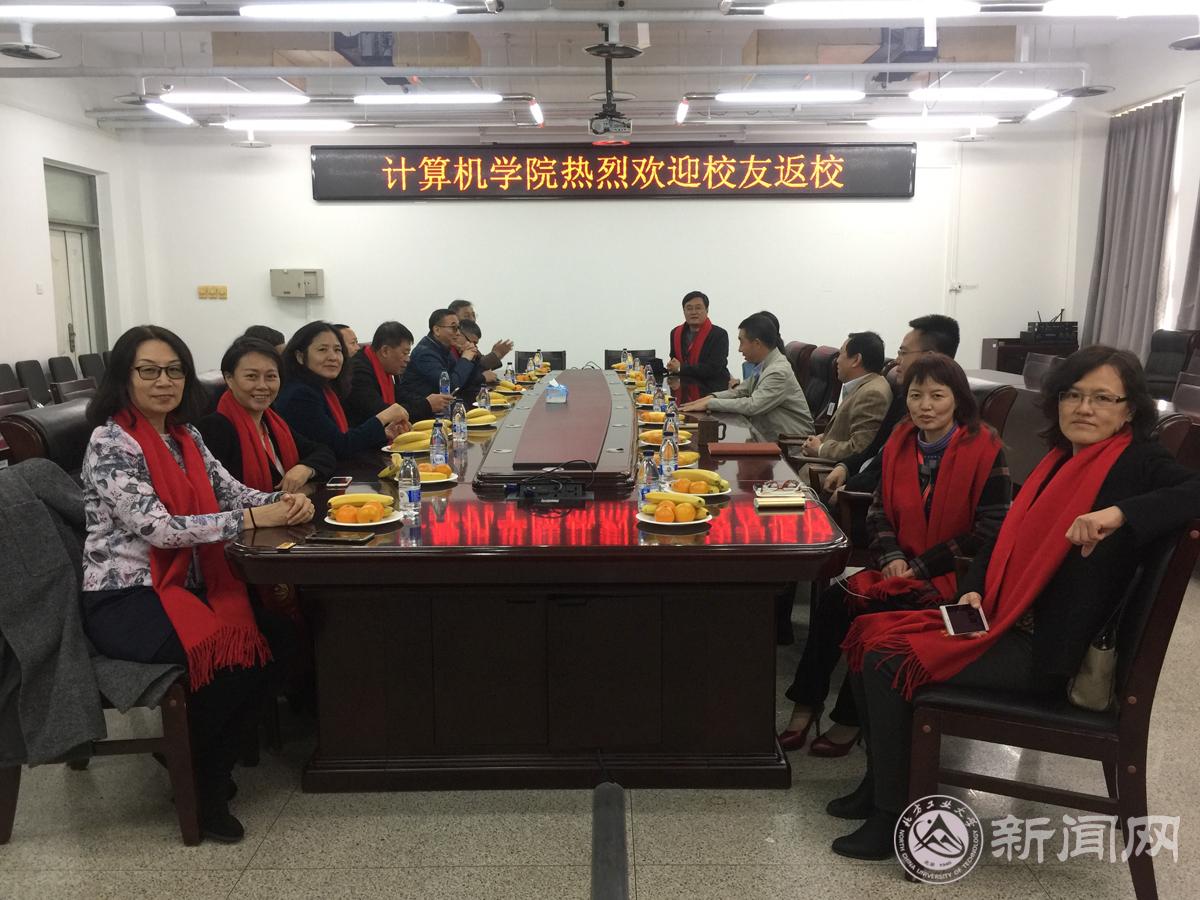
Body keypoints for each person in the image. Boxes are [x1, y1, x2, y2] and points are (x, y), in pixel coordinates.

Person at [829, 346, 1200, 860]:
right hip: (1004, 617)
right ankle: (879, 785)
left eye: (1102, 398)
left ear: (1129, 410)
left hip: (1049, 653)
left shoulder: (1137, 463)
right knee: (867, 634)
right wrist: (976, 587)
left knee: (887, 661)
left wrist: (1119, 513)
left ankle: (893, 814)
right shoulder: (1059, 461)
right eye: (1072, 395)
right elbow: (1004, 537)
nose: (1084, 408)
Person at [78, 325, 315, 843]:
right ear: (124, 377)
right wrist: (253, 519)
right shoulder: (110, 443)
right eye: (149, 371)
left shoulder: (186, 436)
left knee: (279, 641)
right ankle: (205, 785)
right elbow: (159, 529)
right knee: (231, 663)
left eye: (174, 370)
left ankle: (198, 759)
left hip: (187, 586)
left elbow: (234, 493)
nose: (164, 381)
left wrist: (287, 502)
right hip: (126, 597)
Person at [779, 355, 1010, 758]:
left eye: (937, 395)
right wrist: (890, 556)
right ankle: (806, 703)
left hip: (952, 578)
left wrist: (918, 567)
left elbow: (990, 529)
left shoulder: (986, 448)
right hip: (897, 567)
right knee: (835, 601)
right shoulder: (901, 441)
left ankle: (848, 720)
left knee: (872, 619)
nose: (925, 406)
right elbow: (879, 509)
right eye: (916, 395)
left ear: (958, 399)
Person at [822, 314, 960, 494]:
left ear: (929, 357)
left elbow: (892, 476)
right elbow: (875, 448)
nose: (897, 360)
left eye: (903, 353)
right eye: (916, 396)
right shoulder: (904, 398)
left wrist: (849, 488)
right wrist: (845, 467)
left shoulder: (939, 420)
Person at [197, 338, 334, 492]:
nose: (262, 386)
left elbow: (323, 452)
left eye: (271, 376)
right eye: (251, 376)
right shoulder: (214, 428)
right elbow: (222, 495)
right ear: (229, 379)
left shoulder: (271, 421)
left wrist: (305, 468)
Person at [275, 321, 409, 460]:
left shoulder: (324, 389)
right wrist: (383, 417)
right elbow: (339, 446)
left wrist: (384, 432)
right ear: (300, 356)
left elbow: (341, 435)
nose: (333, 357)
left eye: (337, 350)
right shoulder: (300, 395)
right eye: (322, 349)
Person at [679, 313, 813, 442]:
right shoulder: (765, 364)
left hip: (792, 444)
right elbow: (740, 391)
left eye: (741, 342)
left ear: (757, 344)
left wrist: (710, 404)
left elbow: (753, 405)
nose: (739, 349)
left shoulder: (778, 371)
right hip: (765, 436)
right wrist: (711, 397)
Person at [801, 332, 893, 462]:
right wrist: (820, 439)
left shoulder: (872, 394)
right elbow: (844, 433)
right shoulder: (863, 386)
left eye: (840, 354)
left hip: (829, 470)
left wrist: (820, 448)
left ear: (856, 360)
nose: (837, 361)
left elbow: (860, 448)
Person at [347, 321, 452, 426]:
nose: (408, 359)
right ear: (385, 351)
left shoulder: (382, 367)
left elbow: (401, 396)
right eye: (405, 353)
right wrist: (426, 405)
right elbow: (382, 413)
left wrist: (428, 401)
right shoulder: (358, 372)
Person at [397, 309, 481, 410]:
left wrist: (472, 357)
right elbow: (449, 387)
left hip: (443, 408)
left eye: (458, 328)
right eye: (454, 328)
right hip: (422, 411)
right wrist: (465, 359)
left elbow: (468, 384)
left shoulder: (444, 349)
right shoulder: (425, 354)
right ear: (437, 330)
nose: (458, 333)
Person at [665, 290, 731, 402]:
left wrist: (681, 368)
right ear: (684, 311)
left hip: (712, 393)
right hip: (683, 390)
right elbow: (674, 360)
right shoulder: (675, 333)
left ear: (707, 310)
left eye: (698, 308)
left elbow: (713, 369)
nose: (694, 312)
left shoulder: (719, 335)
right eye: (689, 308)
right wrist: (672, 366)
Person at [448, 298, 512, 370]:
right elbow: (471, 371)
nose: (472, 319)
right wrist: (495, 354)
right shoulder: (448, 345)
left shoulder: (469, 341)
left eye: (473, 315)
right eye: (466, 316)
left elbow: (478, 363)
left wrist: (496, 354)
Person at [458, 319, 500, 389]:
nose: (474, 346)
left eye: (475, 344)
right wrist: (482, 378)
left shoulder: (468, 350)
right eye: (472, 342)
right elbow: (457, 381)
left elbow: (478, 369)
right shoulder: (450, 352)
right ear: (459, 335)